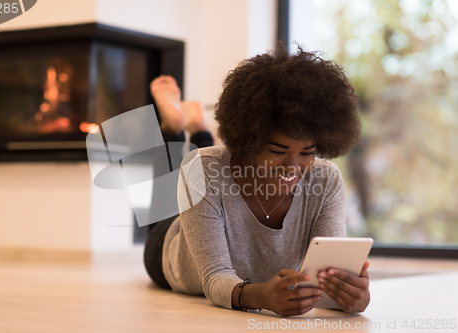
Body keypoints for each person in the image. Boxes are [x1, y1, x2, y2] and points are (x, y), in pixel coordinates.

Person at [143, 43, 370, 317]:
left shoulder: (326, 180)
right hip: (170, 252)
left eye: (307, 152)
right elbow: (215, 278)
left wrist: (352, 296)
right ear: (247, 141)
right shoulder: (202, 169)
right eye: (278, 151)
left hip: (207, 192)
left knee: (203, 164)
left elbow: (327, 276)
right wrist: (260, 296)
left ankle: (198, 127)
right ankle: (172, 126)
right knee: (165, 207)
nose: (293, 166)